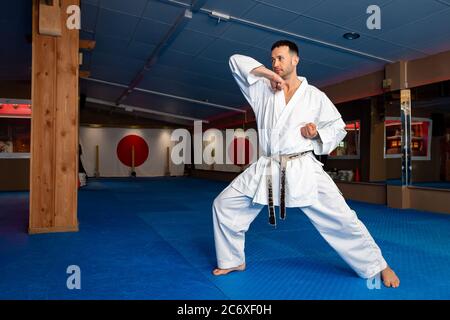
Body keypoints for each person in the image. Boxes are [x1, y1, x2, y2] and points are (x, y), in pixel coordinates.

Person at [211, 40, 400, 288]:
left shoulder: (314, 96)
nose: (276, 64)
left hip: (302, 167)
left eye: (280, 58)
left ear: (295, 60)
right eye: (272, 60)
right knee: (224, 205)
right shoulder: (262, 89)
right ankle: (233, 259)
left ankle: (379, 265)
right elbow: (235, 60)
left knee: (342, 219)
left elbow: (338, 127)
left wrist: (316, 134)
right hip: (267, 166)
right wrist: (269, 75)